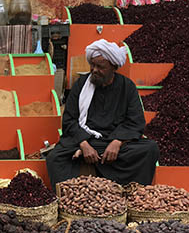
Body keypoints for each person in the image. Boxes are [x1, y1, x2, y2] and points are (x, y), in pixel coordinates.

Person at [46, 39, 159, 188]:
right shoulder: (81, 84)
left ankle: (131, 193)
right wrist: (84, 144)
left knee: (149, 149)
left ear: (113, 67)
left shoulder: (127, 87)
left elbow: (135, 121)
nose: (94, 70)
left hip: (113, 142)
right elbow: (69, 120)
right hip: (87, 140)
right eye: (92, 65)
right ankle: (69, 199)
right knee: (55, 157)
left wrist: (118, 142)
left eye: (100, 67)